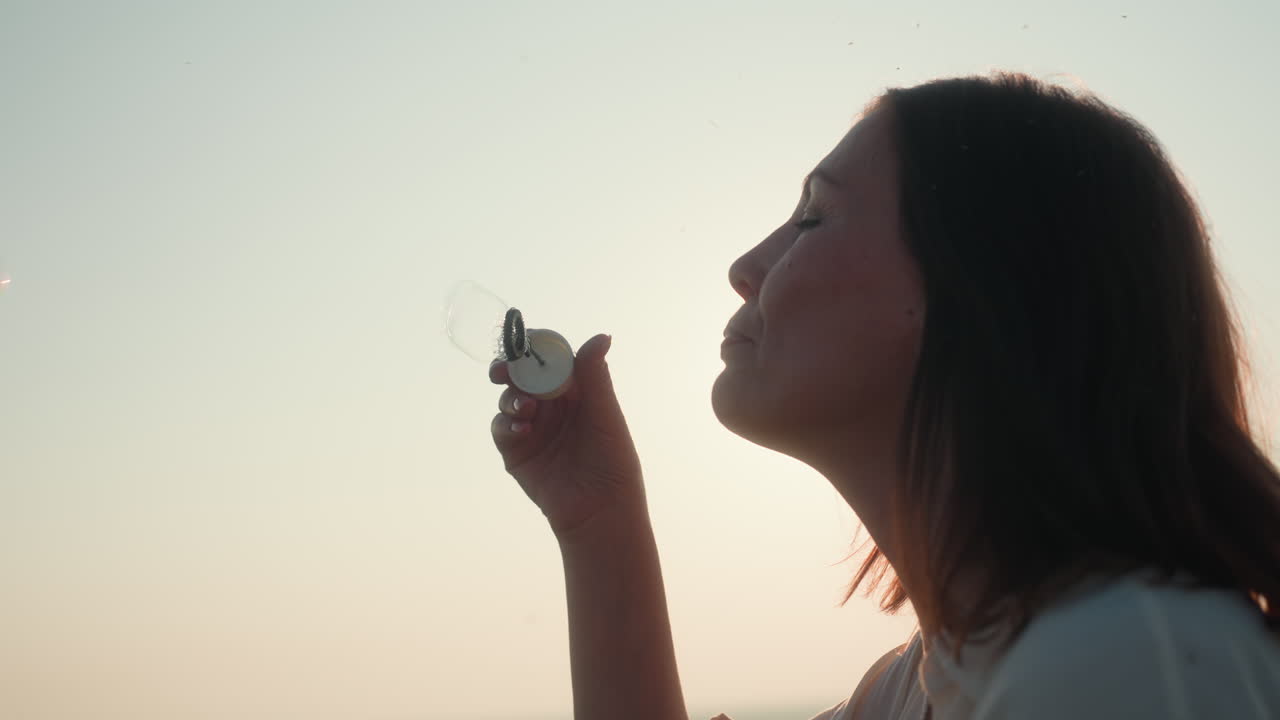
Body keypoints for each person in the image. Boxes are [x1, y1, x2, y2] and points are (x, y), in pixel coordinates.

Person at [487, 71, 1280, 720]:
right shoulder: (918, 689)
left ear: (978, 291)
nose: (746, 265)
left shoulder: (1124, 663)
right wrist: (600, 523)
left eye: (813, 216)